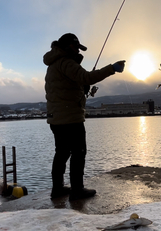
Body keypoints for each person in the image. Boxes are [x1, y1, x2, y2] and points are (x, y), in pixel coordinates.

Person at [43, 33, 125, 200]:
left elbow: (69, 86)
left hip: (57, 118)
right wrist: (112, 68)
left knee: (62, 153)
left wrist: (82, 87)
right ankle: (77, 191)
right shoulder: (66, 62)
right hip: (70, 118)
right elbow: (87, 77)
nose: (77, 51)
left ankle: (57, 189)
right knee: (78, 152)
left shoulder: (54, 63)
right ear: (67, 47)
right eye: (75, 47)